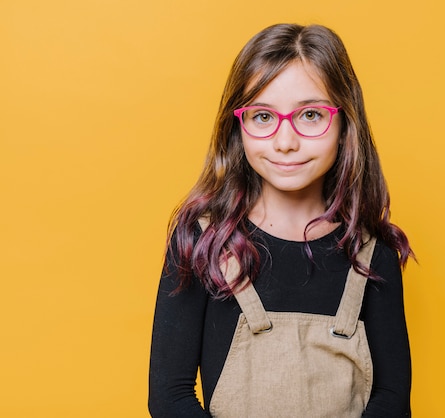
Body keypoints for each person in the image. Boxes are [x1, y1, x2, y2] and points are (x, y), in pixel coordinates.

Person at [149, 23, 413, 417]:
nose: (285, 142)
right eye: (262, 117)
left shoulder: (373, 254)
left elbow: (392, 399)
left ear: (344, 125)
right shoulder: (202, 241)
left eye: (310, 115)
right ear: (238, 127)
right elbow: (170, 398)